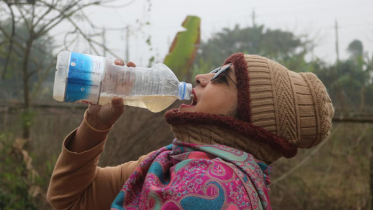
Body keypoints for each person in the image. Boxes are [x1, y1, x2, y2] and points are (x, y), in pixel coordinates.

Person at [47, 53, 334, 210]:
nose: (201, 77)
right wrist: (96, 124)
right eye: (213, 69)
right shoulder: (169, 164)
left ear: (249, 113)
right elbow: (70, 199)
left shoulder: (214, 186)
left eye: (222, 76)